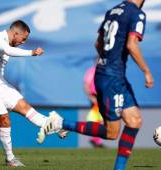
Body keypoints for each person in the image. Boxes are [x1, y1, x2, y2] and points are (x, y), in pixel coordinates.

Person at [38, 0, 154, 170]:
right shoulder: (137, 13)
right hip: (112, 77)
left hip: (111, 75)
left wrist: (107, 62)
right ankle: (60, 123)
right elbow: (131, 44)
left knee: (134, 121)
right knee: (111, 132)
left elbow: (98, 43)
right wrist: (146, 71)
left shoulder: (112, 11)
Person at [0, 20, 56, 167]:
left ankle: (54, 127)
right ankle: (10, 159)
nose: (23, 42)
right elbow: (8, 51)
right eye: (23, 39)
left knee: (24, 106)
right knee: (4, 119)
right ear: (15, 33)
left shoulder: (7, 46)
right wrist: (32, 52)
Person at [83, 64, 104, 148]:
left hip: (102, 96)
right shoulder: (92, 71)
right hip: (95, 97)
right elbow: (86, 85)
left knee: (100, 119)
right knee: (96, 119)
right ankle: (96, 140)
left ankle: (96, 140)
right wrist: (91, 97)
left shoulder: (105, 70)